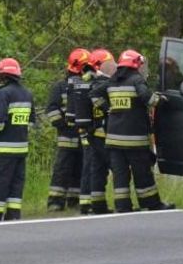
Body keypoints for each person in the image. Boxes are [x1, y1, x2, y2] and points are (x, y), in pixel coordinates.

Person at [90, 49, 174, 212]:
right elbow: (148, 99)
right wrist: (161, 100)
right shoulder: (136, 79)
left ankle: (122, 206)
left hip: (113, 140)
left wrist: (109, 108)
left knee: (120, 175)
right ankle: (151, 204)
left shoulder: (112, 81)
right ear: (135, 64)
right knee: (142, 173)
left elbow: (93, 94)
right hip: (134, 139)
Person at [0, 58, 34, 222]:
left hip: (3, 148)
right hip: (21, 147)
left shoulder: (3, 94)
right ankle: (13, 214)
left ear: (1, 75)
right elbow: (31, 122)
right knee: (16, 182)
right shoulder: (27, 93)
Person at [45, 48, 90, 211]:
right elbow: (51, 109)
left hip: (84, 136)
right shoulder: (60, 87)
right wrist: (63, 126)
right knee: (62, 170)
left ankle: (74, 200)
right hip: (67, 137)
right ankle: (55, 202)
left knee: (80, 168)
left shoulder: (88, 85)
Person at [75, 48, 113, 215]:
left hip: (91, 132)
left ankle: (95, 205)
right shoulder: (101, 84)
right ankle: (120, 202)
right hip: (102, 132)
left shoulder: (85, 82)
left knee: (95, 169)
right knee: (113, 168)